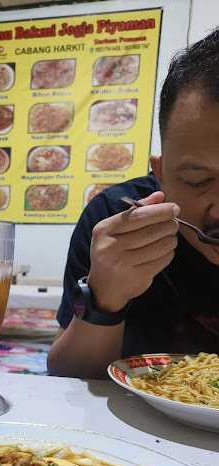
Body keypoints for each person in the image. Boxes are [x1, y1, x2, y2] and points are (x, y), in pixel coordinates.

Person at [49, 28, 219, 379]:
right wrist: (106, 298)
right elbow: (67, 377)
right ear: (161, 174)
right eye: (197, 180)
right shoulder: (115, 220)